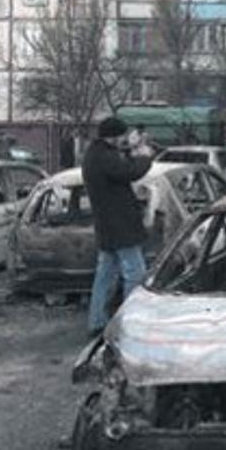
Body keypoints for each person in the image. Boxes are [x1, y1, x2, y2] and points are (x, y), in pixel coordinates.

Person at [82, 117, 154, 335]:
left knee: (105, 274)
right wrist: (145, 157)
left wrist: (131, 148)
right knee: (135, 273)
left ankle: (96, 321)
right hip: (120, 225)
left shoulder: (95, 154)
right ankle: (129, 322)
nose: (124, 139)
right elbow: (130, 172)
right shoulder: (105, 158)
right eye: (122, 135)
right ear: (113, 136)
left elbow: (121, 167)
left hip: (107, 225)